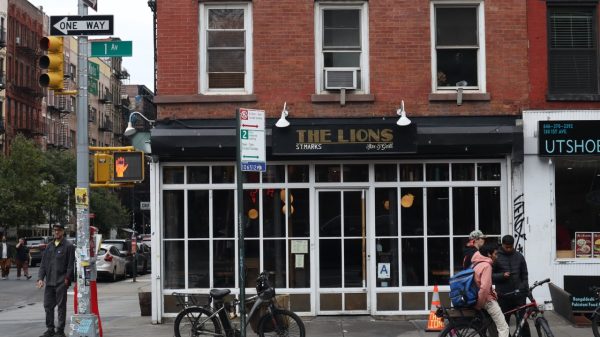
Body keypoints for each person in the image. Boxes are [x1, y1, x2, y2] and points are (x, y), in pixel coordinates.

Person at [37, 224, 75, 337]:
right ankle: (50, 329)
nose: (56, 232)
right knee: (48, 306)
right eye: (55, 231)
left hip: (61, 281)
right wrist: (40, 278)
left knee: (61, 307)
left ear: (63, 232)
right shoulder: (49, 246)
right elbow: (43, 264)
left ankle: (60, 330)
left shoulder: (68, 246)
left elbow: (70, 265)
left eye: (59, 230)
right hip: (49, 282)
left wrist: (67, 278)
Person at [493, 235, 530, 337]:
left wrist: (523, 287)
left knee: (523, 323)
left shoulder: (519, 256)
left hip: (519, 296)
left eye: (510, 247)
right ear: (502, 245)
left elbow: (525, 274)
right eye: (506, 247)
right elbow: (490, 275)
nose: (509, 249)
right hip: (503, 296)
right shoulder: (496, 257)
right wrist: (502, 275)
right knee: (504, 323)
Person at [472, 242, 509, 337]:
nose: (496, 256)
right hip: (487, 301)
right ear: (489, 254)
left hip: (479, 298)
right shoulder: (486, 266)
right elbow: (484, 288)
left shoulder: (476, 263)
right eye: (495, 254)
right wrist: (479, 305)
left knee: (492, 326)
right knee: (503, 328)